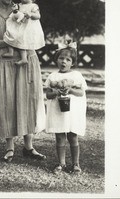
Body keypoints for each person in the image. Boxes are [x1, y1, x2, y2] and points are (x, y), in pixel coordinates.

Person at [0, 0, 46, 163]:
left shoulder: (23, 8)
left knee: (29, 101)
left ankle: (29, 146)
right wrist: (11, 41)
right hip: (5, 63)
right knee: (7, 103)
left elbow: (35, 29)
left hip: (27, 61)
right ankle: (9, 147)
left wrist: (22, 42)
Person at [44, 41, 87, 174]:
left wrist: (71, 91)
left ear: (72, 63)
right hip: (58, 111)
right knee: (60, 136)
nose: (64, 62)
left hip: (72, 111)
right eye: (61, 58)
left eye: (68, 59)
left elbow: (81, 92)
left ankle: (75, 164)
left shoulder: (76, 76)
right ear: (56, 59)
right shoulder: (53, 76)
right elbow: (48, 94)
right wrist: (56, 92)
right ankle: (61, 163)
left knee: (73, 136)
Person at [3, 0, 45, 65]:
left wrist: (31, 14)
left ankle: (24, 58)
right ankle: (10, 51)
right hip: (18, 25)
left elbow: (38, 16)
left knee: (22, 40)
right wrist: (15, 10)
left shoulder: (33, 6)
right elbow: (16, 14)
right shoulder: (18, 5)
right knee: (9, 33)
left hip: (27, 28)